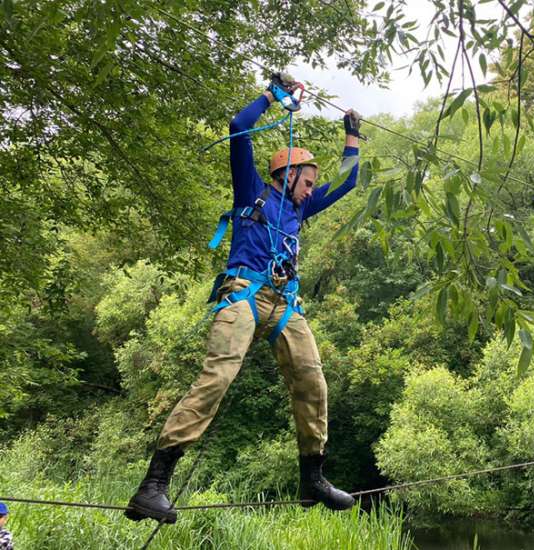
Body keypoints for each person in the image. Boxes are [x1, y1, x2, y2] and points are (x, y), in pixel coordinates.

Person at [125, 74, 362, 524]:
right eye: (307, 182)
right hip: (245, 294)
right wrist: (272, 95)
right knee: (218, 377)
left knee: (313, 383)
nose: (312, 190)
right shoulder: (252, 191)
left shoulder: (300, 209)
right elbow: (238, 126)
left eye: (312, 185)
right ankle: (152, 485)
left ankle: (312, 478)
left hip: (285, 303)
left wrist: (352, 137)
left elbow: (348, 184)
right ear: (287, 175)